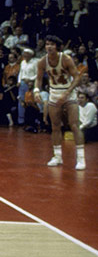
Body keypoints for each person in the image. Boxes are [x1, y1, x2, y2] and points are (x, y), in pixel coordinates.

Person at [35, 35, 85, 170]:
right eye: (47, 44)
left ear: (57, 46)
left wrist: (67, 93)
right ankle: (57, 156)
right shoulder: (42, 61)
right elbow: (38, 79)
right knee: (55, 126)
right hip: (54, 93)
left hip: (68, 93)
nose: (48, 47)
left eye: (51, 44)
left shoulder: (66, 59)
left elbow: (77, 78)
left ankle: (81, 158)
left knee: (74, 125)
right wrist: (36, 91)